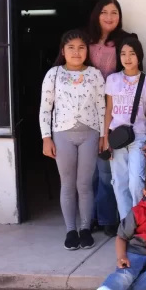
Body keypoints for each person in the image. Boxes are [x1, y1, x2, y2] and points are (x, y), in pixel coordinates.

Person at [40, 29, 106, 250]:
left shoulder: (95, 74)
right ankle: (70, 230)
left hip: (90, 135)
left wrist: (103, 136)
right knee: (67, 184)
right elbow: (45, 108)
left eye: (81, 47)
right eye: (71, 48)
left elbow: (101, 106)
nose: (76, 52)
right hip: (62, 135)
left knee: (84, 184)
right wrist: (46, 137)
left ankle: (85, 228)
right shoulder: (54, 74)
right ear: (63, 51)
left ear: (87, 50)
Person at [87, 0, 136, 237]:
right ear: (97, 15)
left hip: (114, 111)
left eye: (114, 12)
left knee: (106, 167)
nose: (109, 17)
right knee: (92, 169)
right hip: (86, 110)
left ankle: (107, 218)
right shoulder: (84, 41)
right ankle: (94, 215)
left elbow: (135, 72)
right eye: (104, 12)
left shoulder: (126, 40)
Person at [104, 38, 146, 220]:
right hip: (116, 138)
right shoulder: (112, 79)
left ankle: (139, 220)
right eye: (123, 54)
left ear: (139, 56)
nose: (127, 58)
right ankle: (126, 224)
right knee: (119, 182)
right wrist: (105, 139)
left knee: (136, 182)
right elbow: (108, 111)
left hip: (139, 137)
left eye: (132, 53)